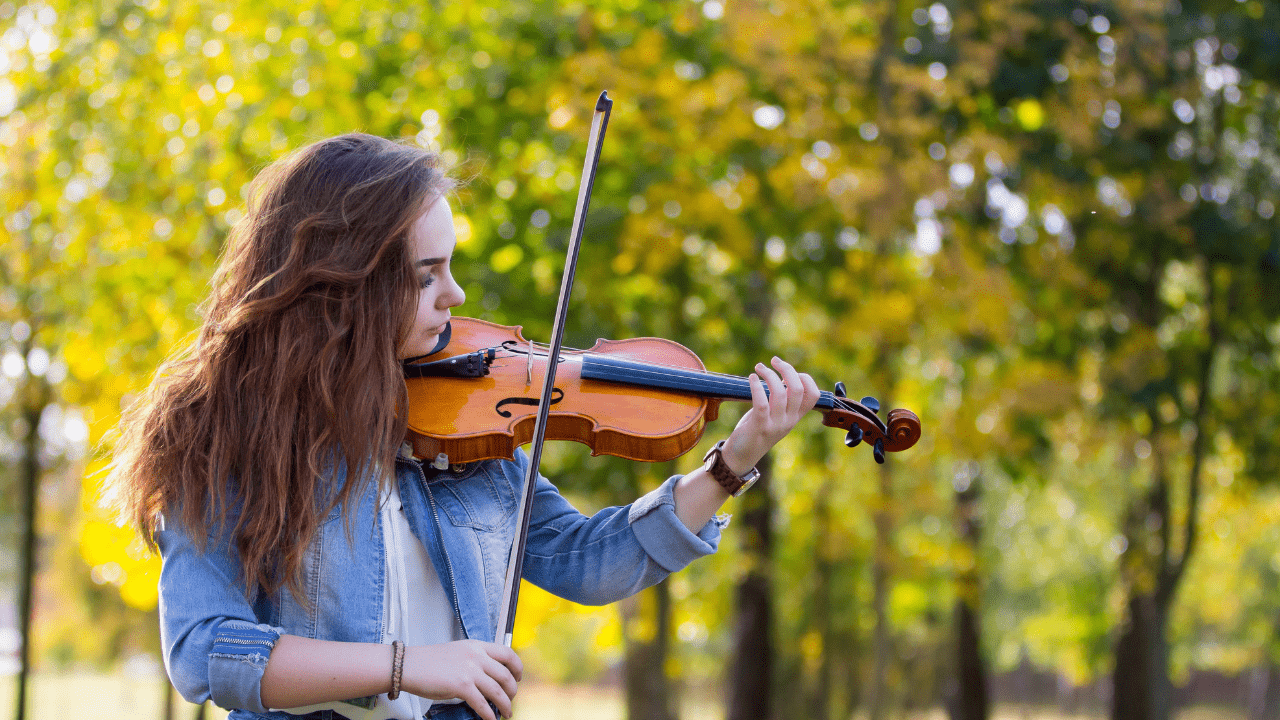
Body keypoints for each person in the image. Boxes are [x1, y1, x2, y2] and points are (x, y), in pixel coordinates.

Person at [109, 133, 820, 720]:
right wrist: (407, 668)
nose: (455, 295)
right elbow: (207, 652)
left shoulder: (468, 426)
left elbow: (582, 559)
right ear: (349, 279)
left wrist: (731, 463)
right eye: (426, 275)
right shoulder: (224, 433)